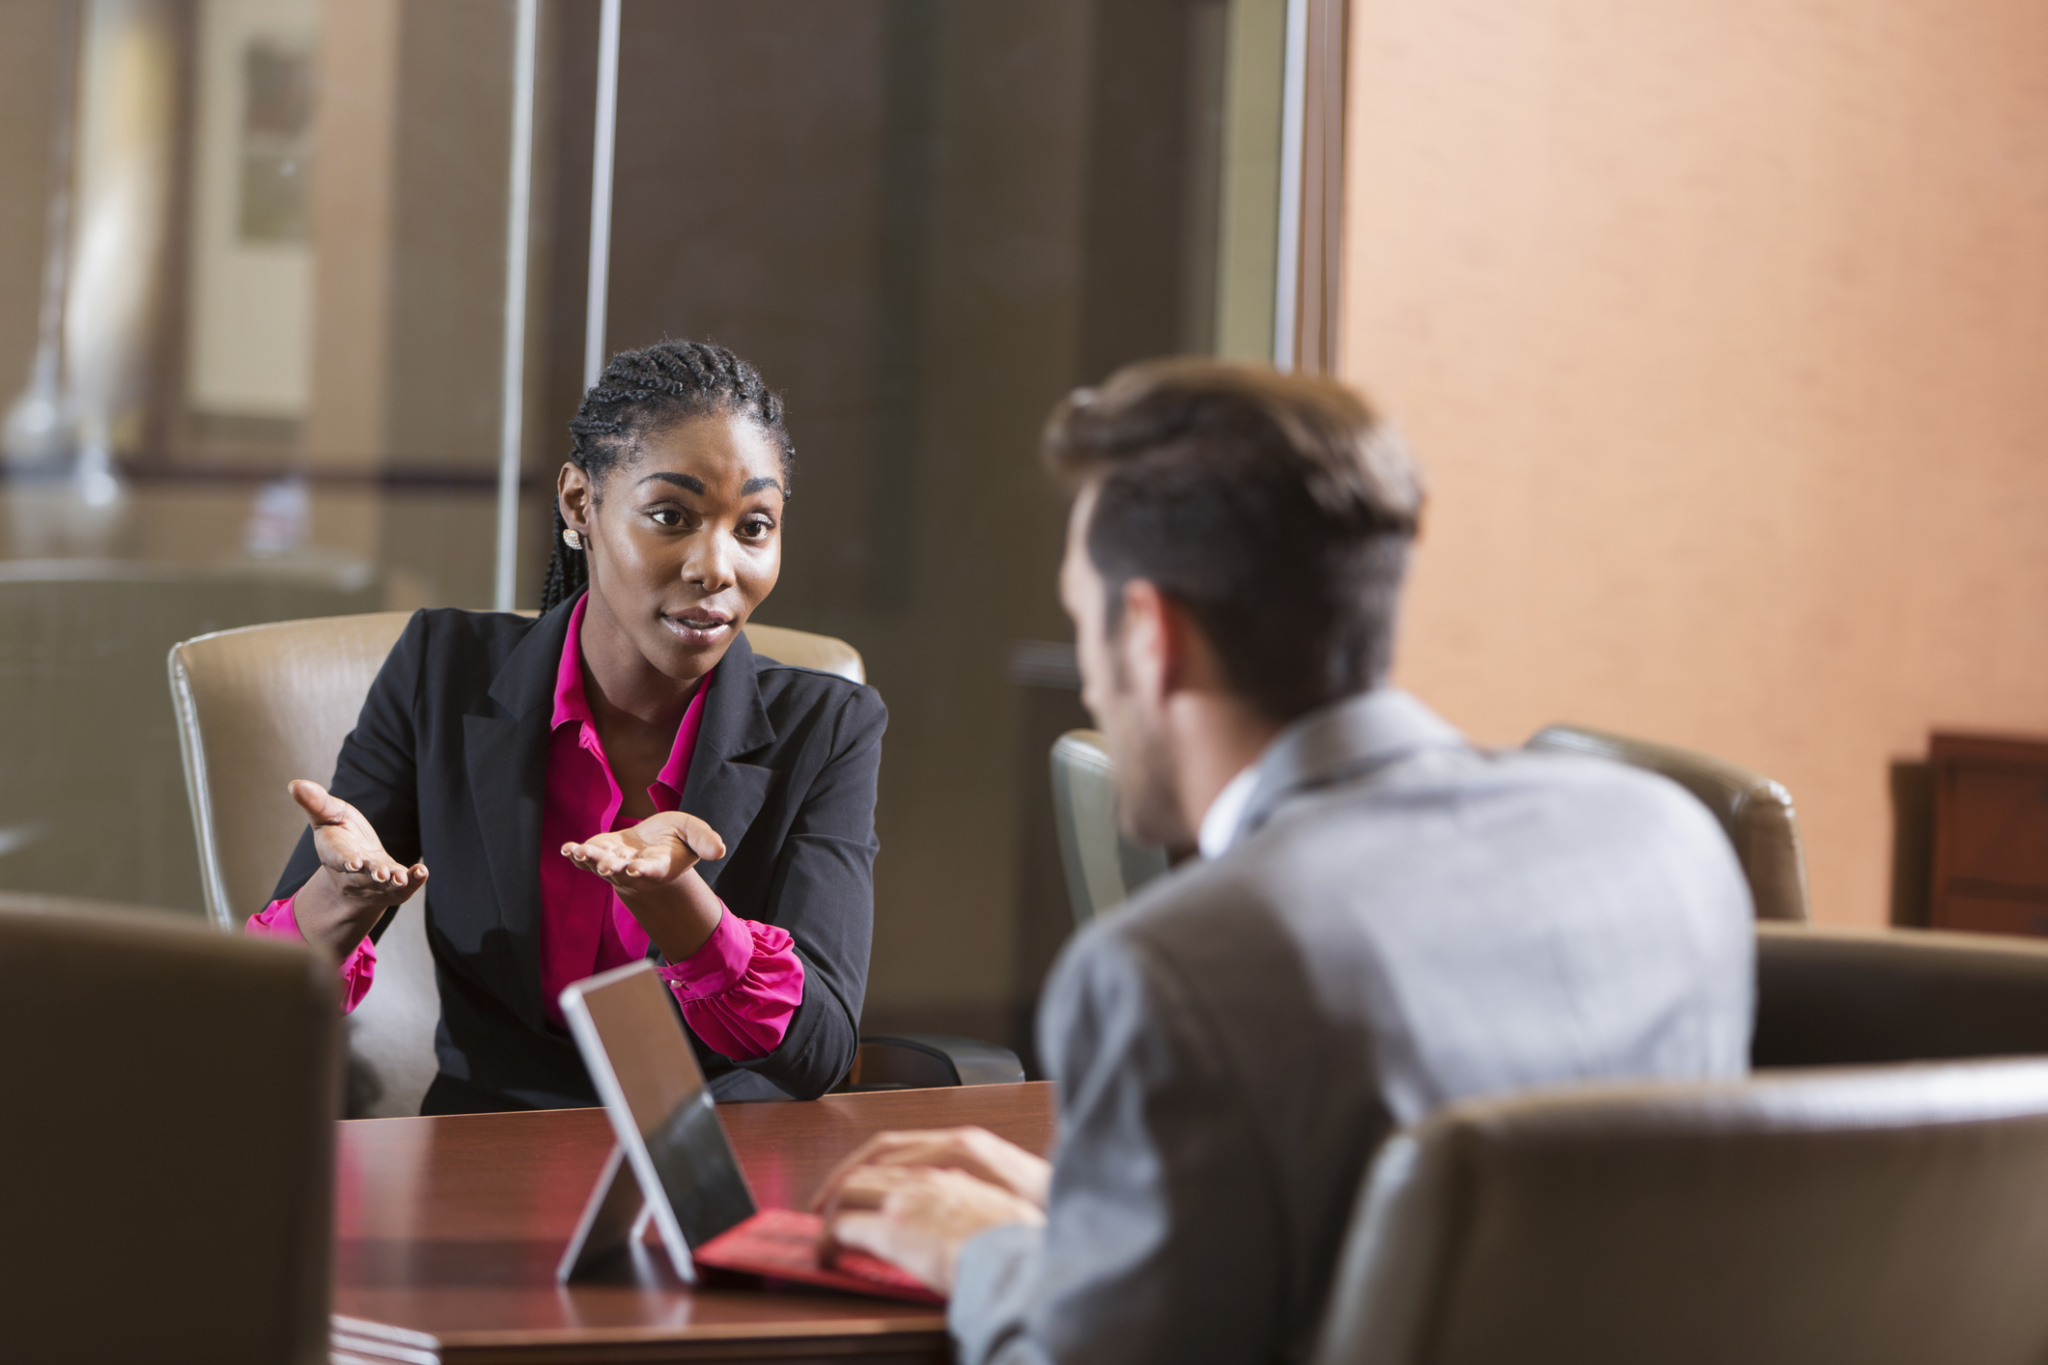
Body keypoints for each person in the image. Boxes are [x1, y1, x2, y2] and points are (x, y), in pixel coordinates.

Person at [816, 360, 1753, 1362]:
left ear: (1147, 635)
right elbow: (1461, 1248)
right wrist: (1094, 1228)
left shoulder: (1179, 968)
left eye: (1081, 621)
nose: (1087, 679)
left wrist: (990, 1254)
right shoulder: (1670, 843)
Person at [246, 340, 885, 1112]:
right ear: (581, 504)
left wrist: (681, 906)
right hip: (486, 1152)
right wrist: (344, 894)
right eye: (671, 515)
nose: (717, 566)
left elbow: (821, 1051)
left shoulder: (828, 726)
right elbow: (262, 1001)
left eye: (753, 527)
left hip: (719, 1159)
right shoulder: (440, 672)